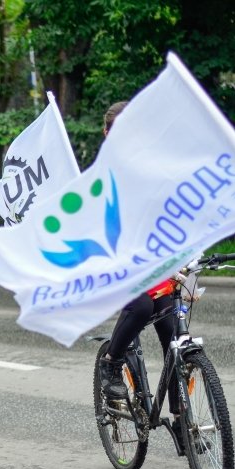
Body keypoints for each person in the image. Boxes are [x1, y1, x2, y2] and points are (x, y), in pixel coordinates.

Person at [97, 101, 182, 428]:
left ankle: (181, 417)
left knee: (175, 337)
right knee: (143, 306)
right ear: (106, 133)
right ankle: (111, 362)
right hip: (116, 263)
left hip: (152, 262)